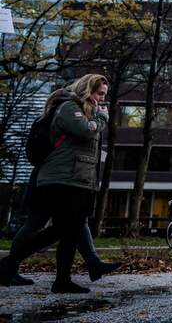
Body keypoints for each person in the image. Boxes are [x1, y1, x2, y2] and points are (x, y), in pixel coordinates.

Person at [0, 75, 110, 293]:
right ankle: (10, 263)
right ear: (87, 90)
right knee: (60, 227)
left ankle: (65, 278)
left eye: (104, 95)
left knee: (71, 227)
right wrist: (101, 119)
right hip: (61, 179)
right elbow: (84, 130)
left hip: (74, 179)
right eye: (99, 93)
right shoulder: (70, 108)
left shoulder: (81, 110)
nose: (102, 99)